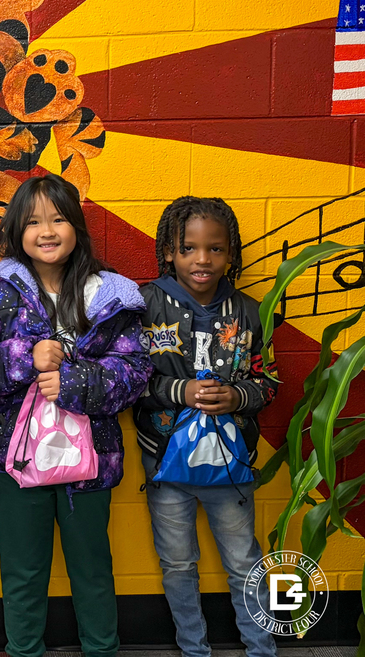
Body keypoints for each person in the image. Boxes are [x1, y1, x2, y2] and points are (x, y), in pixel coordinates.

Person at [0, 173, 151, 657]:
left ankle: (101, 649)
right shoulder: (1, 291)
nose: (46, 231)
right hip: (18, 459)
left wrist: (74, 381)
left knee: (92, 566)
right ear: (16, 234)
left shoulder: (110, 295)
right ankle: (23, 650)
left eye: (58, 218)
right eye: (33, 222)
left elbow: (136, 371)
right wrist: (26, 356)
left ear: (78, 227)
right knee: (22, 569)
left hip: (91, 462)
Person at [134, 197, 279, 657]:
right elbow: (128, 379)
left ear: (231, 253)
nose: (202, 260)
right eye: (188, 248)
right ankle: (193, 649)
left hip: (230, 465)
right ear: (169, 252)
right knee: (178, 563)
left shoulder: (251, 312)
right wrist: (181, 392)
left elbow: (269, 382)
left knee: (244, 561)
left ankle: (262, 647)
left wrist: (238, 396)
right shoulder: (143, 304)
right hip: (164, 461)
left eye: (215, 249)